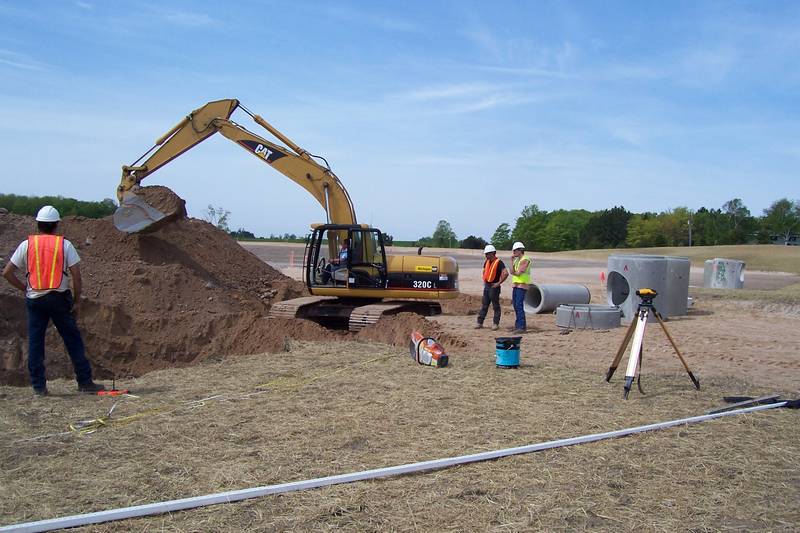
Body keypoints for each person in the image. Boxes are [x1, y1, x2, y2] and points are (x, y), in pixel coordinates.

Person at [2, 205, 104, 396]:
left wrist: (25, 288)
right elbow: (76, 276)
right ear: (56, 225)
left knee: (35, 342)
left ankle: (39, 387)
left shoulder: (27, 245)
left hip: (35, 299)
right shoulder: (64, 245)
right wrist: (77, 301)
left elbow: (7, 272)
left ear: (38, 224)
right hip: (58, 299)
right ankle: (85, 382)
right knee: (72, 339)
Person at [475, 244, 508, 331]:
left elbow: (506, 273)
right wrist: (485, 282)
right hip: (487, 286)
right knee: (484, 305)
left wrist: (499, 283)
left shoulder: (499, 262)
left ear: (493, 253)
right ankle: (479, 322)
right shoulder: (486, 262)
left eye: (487, 254)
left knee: (495, 306)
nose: (486, 256)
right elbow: (484, 272)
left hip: (494, 287)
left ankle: (495, 324)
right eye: (485, 254)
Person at [509, 241, 532, 334]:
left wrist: (514, 271)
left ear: (520, 250)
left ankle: (522, 326)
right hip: (516, 285)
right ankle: (518, 325)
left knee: (519, 305)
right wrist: (511, 261)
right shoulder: (517, 260)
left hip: (522, 285)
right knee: (515, 305)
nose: (513, 252)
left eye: (515, 250)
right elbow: (511, 271)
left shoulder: (525, 259)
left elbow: (518, 272)